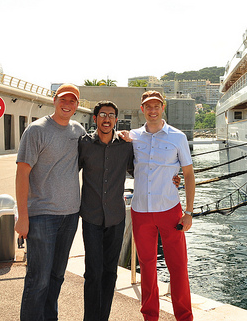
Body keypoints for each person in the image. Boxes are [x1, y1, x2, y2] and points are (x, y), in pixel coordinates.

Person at [15, 83, 85, 321]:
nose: (67, 104)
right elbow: (22, 173)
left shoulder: (78, 131)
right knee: (39, 279)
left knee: (56, 276)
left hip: (70, 215)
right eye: (63, 100)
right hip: (42, 215)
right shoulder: (36, 130)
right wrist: (22, 216)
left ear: (77, 105)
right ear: (54, 100)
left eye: (72, 101)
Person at [128, 90, 196, 321]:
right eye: (148, 106)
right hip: (141, 211)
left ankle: (184, 317)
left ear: (163, 107)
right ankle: (150, 316)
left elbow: (188, 174)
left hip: (170, 210)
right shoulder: (134, 136)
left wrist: (188, 212)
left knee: (178, 267)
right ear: (142, 109)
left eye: (156, 106)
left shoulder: (177, 137)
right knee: (147, 268)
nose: (153, 110)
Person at [78, 101, 133, 321]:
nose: (107, 119)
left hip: (116, 218)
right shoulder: (84, 144)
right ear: (95, 119)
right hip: (91, 217)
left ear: (116, 120)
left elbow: (141, 170)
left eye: (111, 115)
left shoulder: (125, 145)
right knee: (93, 272)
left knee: (110, 272)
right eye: (102, 115)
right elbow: (67, 170)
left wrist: (171, 177)